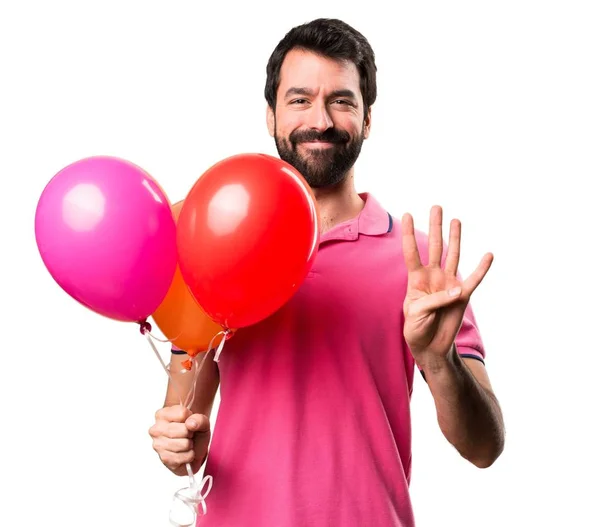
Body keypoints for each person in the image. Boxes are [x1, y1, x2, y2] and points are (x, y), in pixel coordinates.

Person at [148, 17, 505, 526]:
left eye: (341, 100)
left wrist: (440, 358)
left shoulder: (422, 269)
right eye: (299, 99)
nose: (321, 119)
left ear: (367, 117)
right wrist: (177, 442)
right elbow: (184, 437)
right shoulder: (212, 248)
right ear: (270, 115)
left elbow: (485, 446)